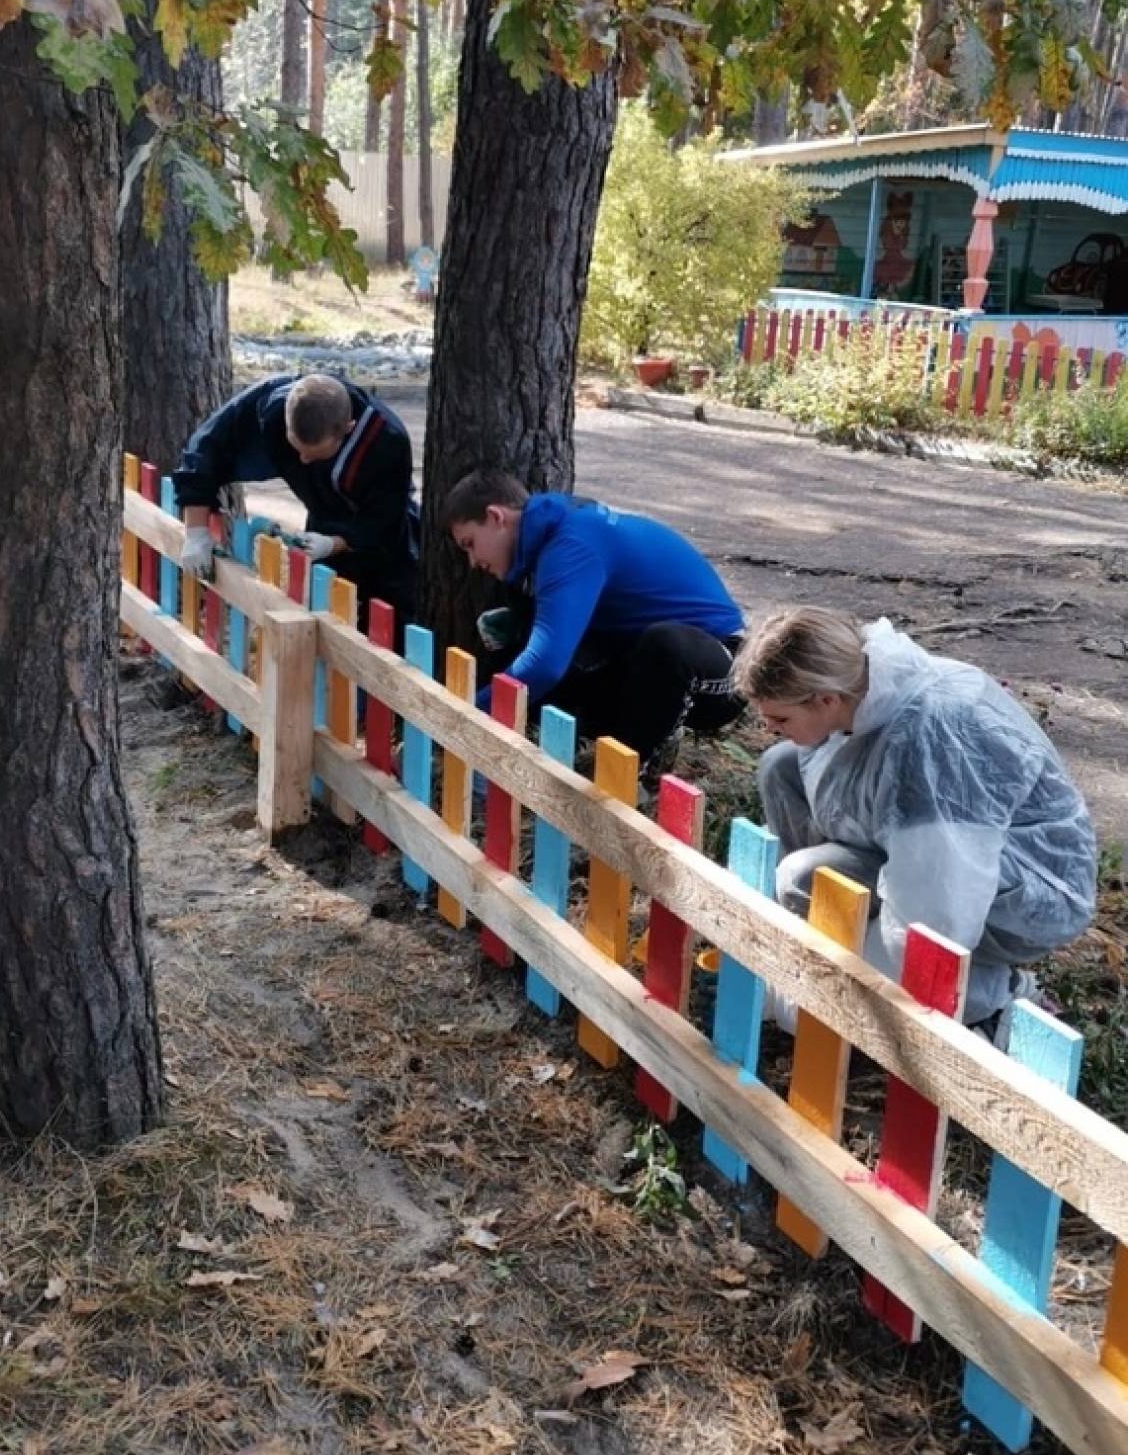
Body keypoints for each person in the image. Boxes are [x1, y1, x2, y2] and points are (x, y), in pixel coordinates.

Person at [731, 605, 1097, 1039]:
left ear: (826, 700)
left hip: (1023, 888)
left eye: (780, 719)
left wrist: (849, 995)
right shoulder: (859, 688)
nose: (769, 728)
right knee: (781, 767)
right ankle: (829, 928)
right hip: (930, 844)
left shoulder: (931, 739)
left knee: (805, 875)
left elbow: (938, 903)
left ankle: (986, 992)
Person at [443, 470, 747, 770]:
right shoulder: (555, 536)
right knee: (543, 661)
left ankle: (629, 774)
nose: (472, 562)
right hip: (645, 657)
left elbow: (545, 663)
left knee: (663, 645)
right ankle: (642, 741)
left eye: (469, 543)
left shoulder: (571, 545)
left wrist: (467, 714)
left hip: (724, 665)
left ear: (497, 517)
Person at [171, 373, 419, 621]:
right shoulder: (270, 404)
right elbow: (205, 448)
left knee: (386, 615)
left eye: (315, 454)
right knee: (327, 612)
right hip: (321, 516)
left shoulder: (388, 442)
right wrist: (196, 532)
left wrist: (334, 543)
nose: (303, 460)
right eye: (295, 447)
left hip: (380, 539)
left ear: (348, 429)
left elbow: (384, 519)